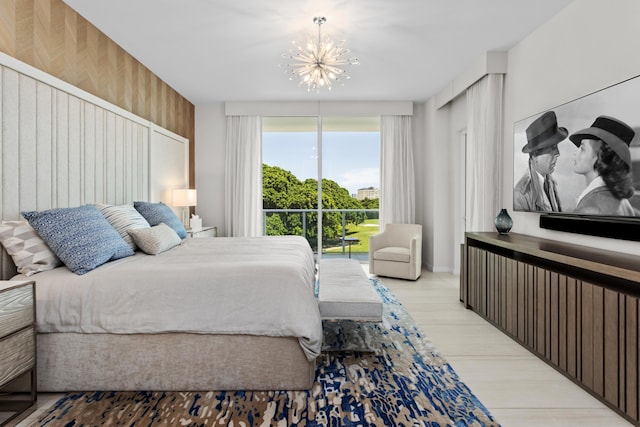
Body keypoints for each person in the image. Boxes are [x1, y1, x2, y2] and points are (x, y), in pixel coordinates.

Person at [570, 115, 637, 216]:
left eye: (582, 148)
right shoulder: (623, 202)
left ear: (599, 155)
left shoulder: (590, 209)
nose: (575, 153)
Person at [514, 111, 567, 212]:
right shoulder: (520, 194)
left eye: (557, 147)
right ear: (535, 155)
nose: (558, 153)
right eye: (553, 147)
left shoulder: (550, 183)